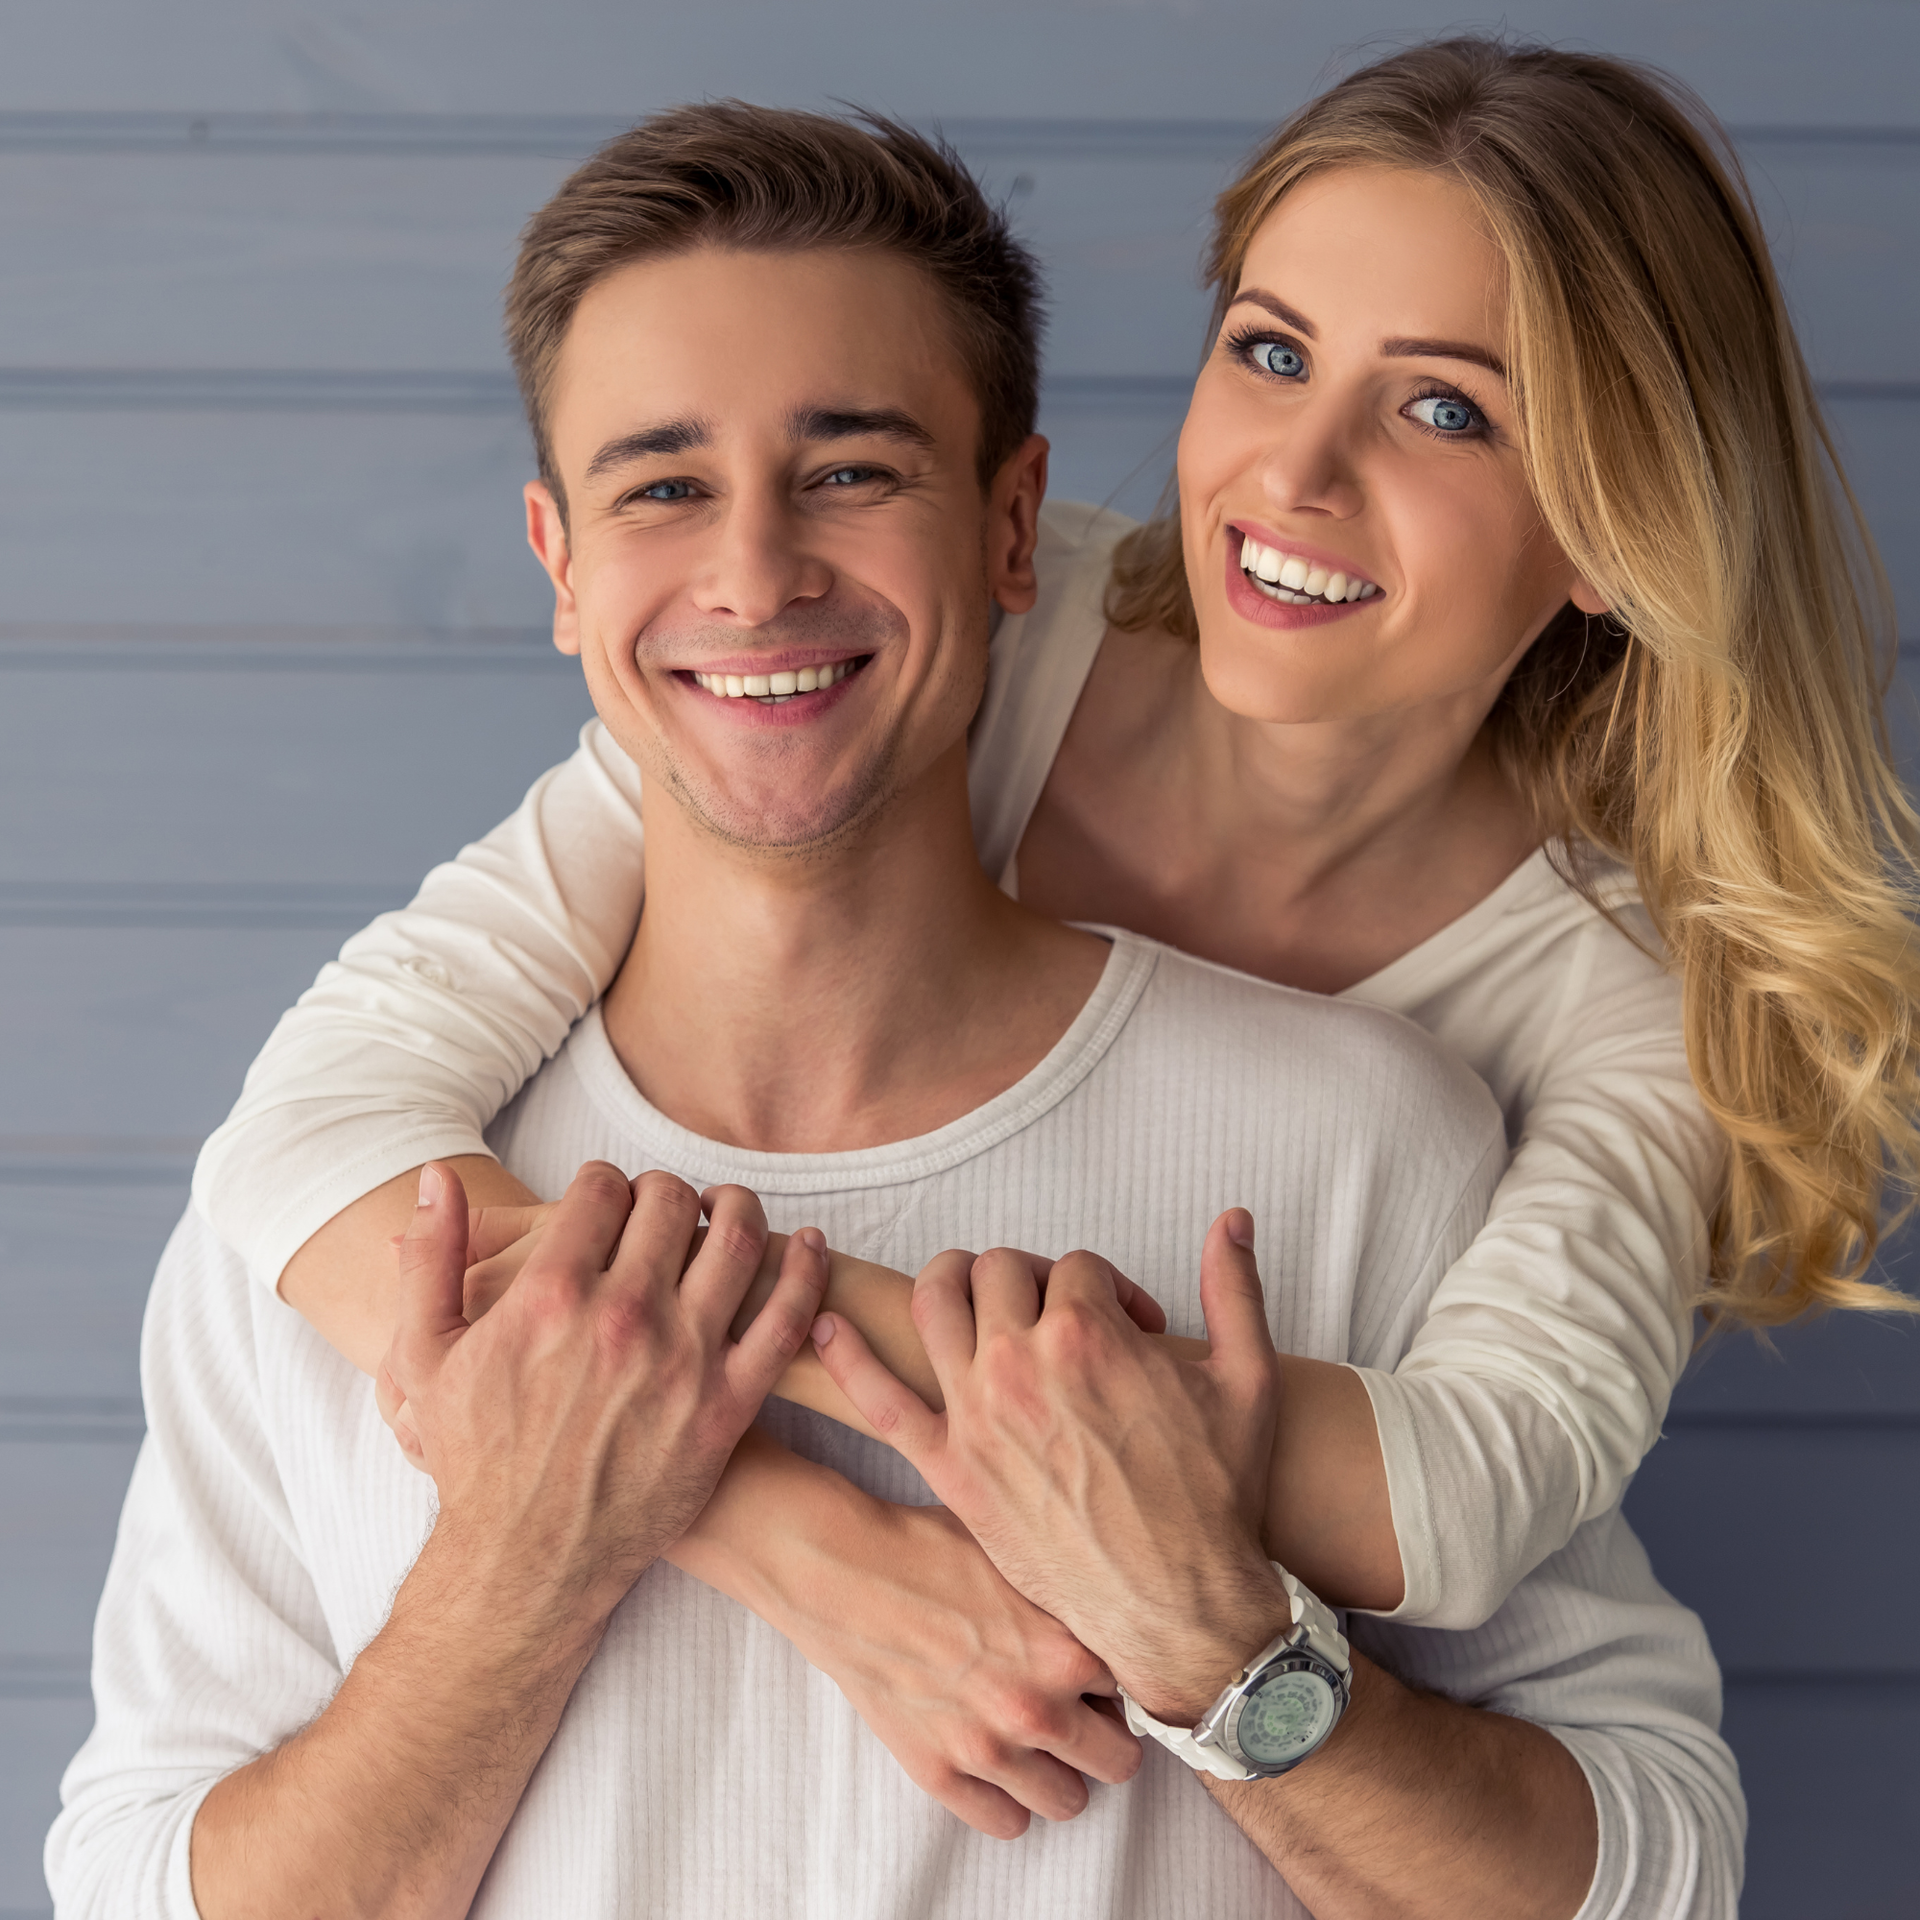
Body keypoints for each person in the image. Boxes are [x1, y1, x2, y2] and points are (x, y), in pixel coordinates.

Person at [48, 103, 1739, 1916]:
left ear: (1010, 527)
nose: (754, 578)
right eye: (663, 486)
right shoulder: (351, 1211)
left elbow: (1638, 1837)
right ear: (561, 564)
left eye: (851, 472)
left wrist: (1209, 1633)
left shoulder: (1401, 1136)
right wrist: (564, 1541)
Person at [190, 36, 1918, 1660]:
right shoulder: (945, 624)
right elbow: (310, 1137)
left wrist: (760, 1325)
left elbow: (1460, 1503)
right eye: (1273, 352)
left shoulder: (1629, 1002)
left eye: (1445, 410)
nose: (1296, 471)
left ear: (1616, 526)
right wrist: (804, 1542)